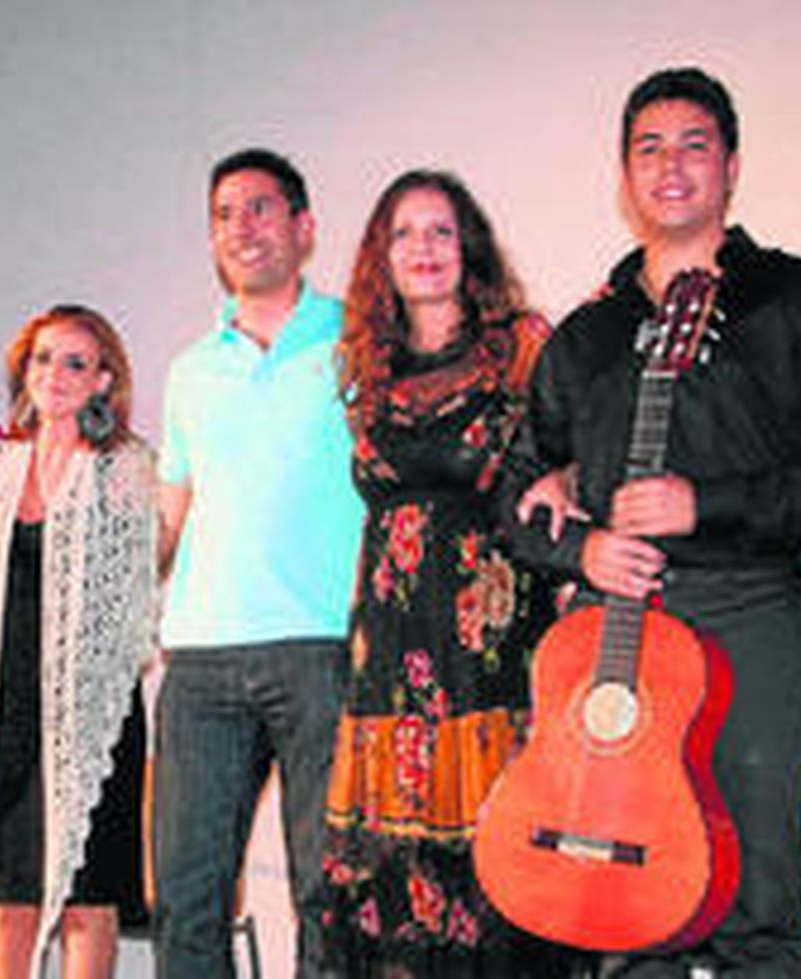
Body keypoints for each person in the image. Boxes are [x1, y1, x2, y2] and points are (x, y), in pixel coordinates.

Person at [515, 69, 801, 976]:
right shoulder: (585, 337)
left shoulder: (797, 300)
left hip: (752, 616)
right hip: (618, 629)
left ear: (732, 165)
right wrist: (582, 546)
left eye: (694, 145)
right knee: (626, 908)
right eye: (649, 147)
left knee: (759, 902)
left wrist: (703, 503)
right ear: (623, 172)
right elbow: (516, 495)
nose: (670, 166)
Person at [319, 170, 564, 977]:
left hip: (490, 657)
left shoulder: (526, 348)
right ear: (379, 257)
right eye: (403, 233)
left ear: (471, 249)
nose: (422, 249)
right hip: (385, 656)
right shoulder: (365, 370)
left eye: (440, 231)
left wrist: (568, 482)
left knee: (501, 868)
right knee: (388, 885)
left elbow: (572, 461)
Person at [152, 147, 365, 978]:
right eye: (225, 213)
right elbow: (171, 512)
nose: (243, 226)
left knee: (327, 895)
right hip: (200, 658)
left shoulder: (356, 344)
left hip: (320, 648)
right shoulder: (189, 369)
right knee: (187, 895)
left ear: (303, 228)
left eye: (261, 207)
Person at [0, 304, 155, 979]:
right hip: (7, 712)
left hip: (91, 715)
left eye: (75, 362)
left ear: (102, 380)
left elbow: (134, 599)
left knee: (84, 901)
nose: (56, 374)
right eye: (43, 358)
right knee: (10, 898)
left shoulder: (124, 467)